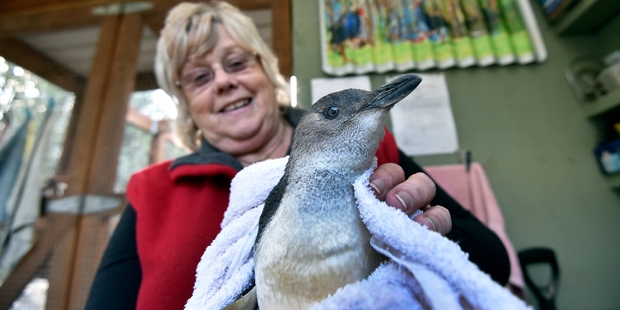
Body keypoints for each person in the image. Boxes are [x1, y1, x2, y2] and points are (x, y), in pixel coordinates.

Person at [85, 2, 510, 309]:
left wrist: (421, 228)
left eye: (236, 63)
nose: (223, 82)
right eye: (199, 77)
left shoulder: (371, 149)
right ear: (185, 103)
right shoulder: (154, 190)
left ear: (268, 72)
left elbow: (494, 261)